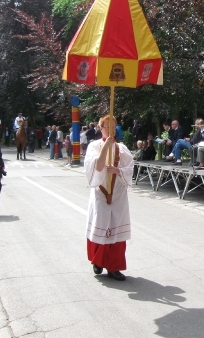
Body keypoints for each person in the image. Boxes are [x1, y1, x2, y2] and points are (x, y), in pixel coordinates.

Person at [84, 114, 133, 281]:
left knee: (116, 227)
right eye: (107, 127)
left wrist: (117, 170)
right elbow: (96, 167)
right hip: (101, 191)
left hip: (118, 193)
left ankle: (114, 267)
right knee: (101, 225)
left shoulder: (122, 148)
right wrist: (106, 147)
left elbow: (130, 169)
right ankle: (98, 261)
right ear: (101, 128)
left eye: (113, 127)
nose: (111, 130)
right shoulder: (94, 146)